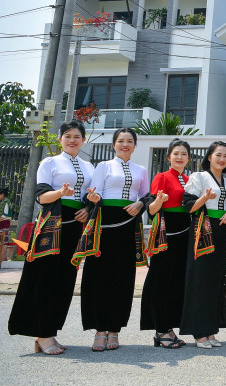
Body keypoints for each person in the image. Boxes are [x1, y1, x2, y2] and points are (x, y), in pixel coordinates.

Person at [7, 121, 94, 355]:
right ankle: (42, 334)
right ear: (60, 139)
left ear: (83, 140)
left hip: (75, 225)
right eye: (67, 136)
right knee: (44, 279)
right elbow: (41, 196)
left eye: (77, 136)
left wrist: (88, 207)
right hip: (51, 226)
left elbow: (93, 196)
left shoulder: (88, 166)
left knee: (64, 281)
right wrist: (61, 193)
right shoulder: (50, 162)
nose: (72, 140)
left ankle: (50, 331)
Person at [81, 127, 149, 352]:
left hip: (129, 224)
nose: (125, 144)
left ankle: (115, 329)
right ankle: (100, 330)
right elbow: (94, 193)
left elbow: (146, 196)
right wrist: (92, 197)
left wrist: (140, 204)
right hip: (105, 224)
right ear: (114, 144)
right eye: (121, 141)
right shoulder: (103, 166)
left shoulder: (141, 169)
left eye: (130, 141)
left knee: (123, 277)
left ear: (135, 145)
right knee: (99, 275)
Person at [180, 141, 226, 349]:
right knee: (200, 279)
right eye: (218, 155)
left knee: (217, 280)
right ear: (209, 156)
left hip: (222, 231)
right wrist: (204, 197)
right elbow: (189, 207)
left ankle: (211, 330)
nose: (222, 159)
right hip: (202, 230)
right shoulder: (198, 177)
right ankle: (199, 332)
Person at [140, 138, 192, 349]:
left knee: (176, 283)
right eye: (176, 153)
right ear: (169, 156)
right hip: (165, 234)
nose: (179, 157)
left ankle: (169, 327)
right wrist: (159, 201)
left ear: (188, 158)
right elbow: (151, 210)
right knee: (160, 281)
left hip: (185, 234)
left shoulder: (189, 179)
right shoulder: (161, 177)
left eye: (184, 154)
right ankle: (160, 329)